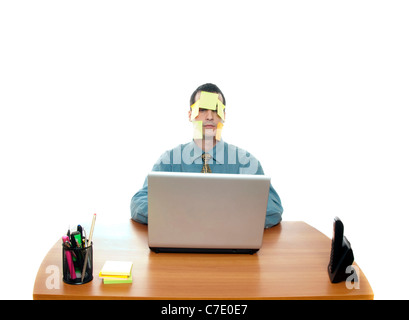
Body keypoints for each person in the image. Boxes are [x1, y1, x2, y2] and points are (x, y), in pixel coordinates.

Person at [130, 83, 283, 228]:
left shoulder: (245, 162)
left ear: (223, 116)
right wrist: (180, 217)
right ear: (191, 115)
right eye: (202, 109)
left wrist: (219, 217)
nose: (210, 117)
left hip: (230, 243)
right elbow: (139, 203)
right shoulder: (169, 160)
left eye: (216, 110)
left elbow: (273, 208)